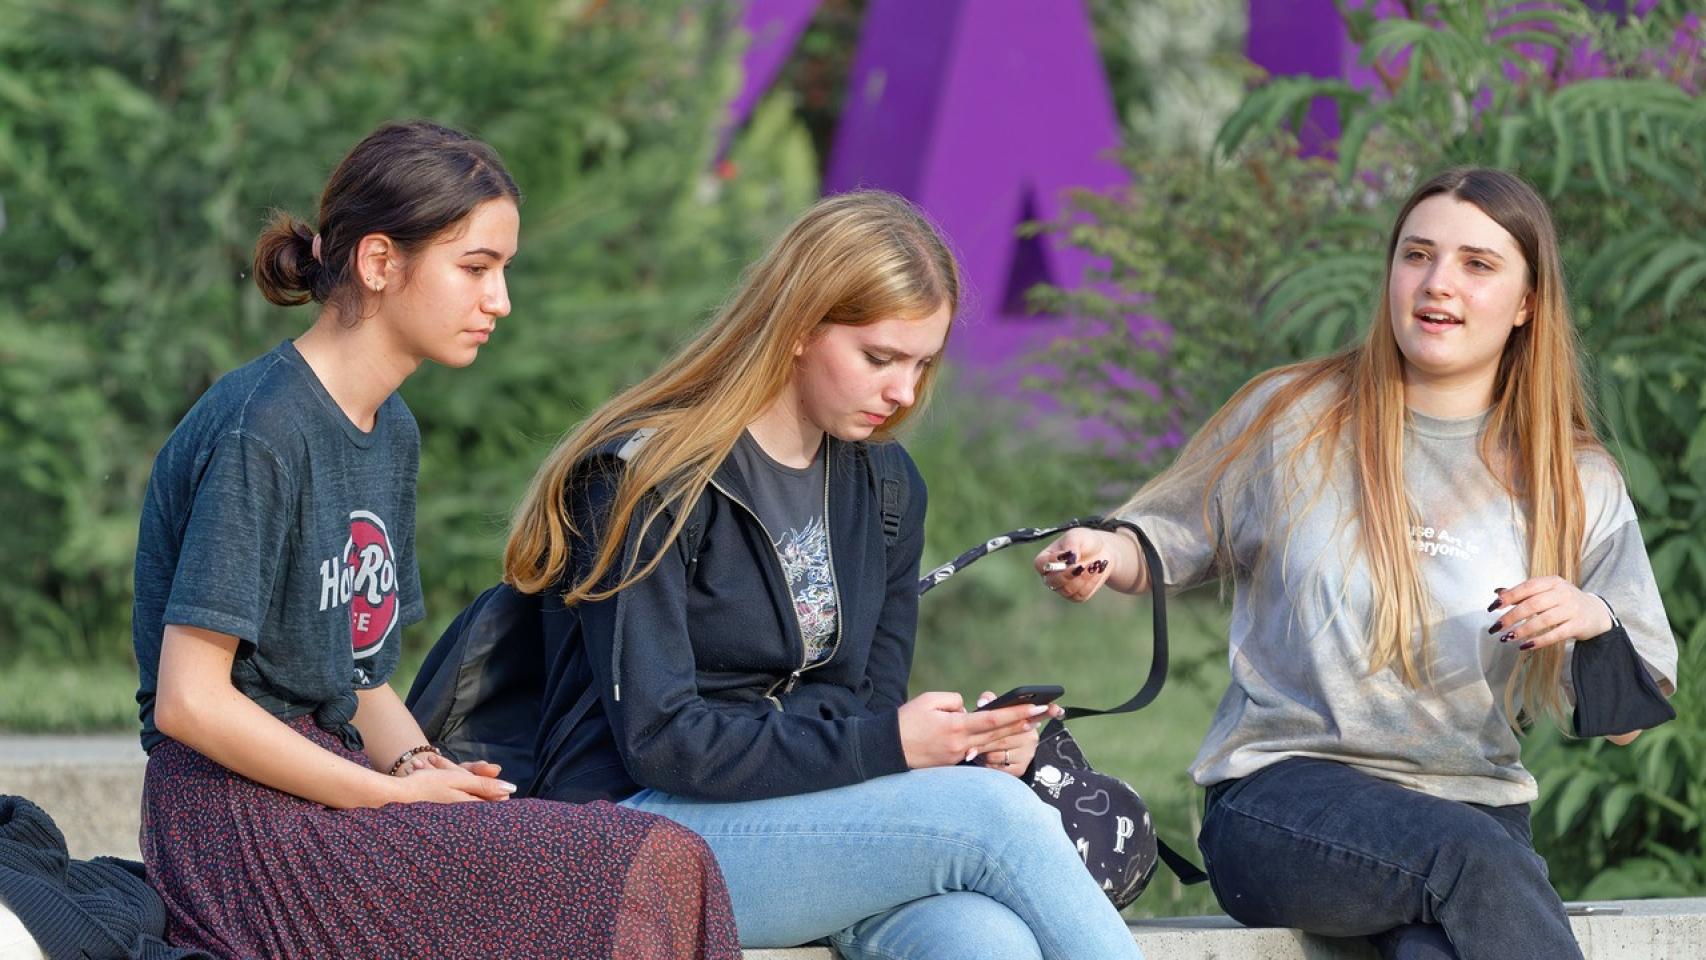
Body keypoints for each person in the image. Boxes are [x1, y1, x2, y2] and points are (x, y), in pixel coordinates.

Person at [1033, 167, 1678, 960]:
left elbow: (1628, 723)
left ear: (1527, 303)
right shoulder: (1293, 416)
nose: (1439, 283)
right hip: (1283, 802)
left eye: (1477, 264)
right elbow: (1162, 542)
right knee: (1466, 863)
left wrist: (1594, 620)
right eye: (1417, 255)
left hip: (1476, 814)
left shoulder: (1573, 477)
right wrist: (1104, 552)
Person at [132, 120, 738, 960]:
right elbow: (190, 702)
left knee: (665, 861)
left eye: (503, 271)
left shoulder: (390, 429)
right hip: (238, 830)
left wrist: (420, 766)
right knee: (647, 860)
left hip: (331, 789)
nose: (501, 301)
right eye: (477, 269)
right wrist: (382, 799)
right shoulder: (261, 429)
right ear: (380, 263)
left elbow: (357, 673)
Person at [503, 190, 1145, 960]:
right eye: (880, 358)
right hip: (638, 833)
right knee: (992, 817)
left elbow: (863, 705)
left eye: (922, 363)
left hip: (808, 822)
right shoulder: (648, 479)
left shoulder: (888, 485)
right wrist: (890, 747)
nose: (904, 392)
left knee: (986, 941)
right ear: (801, 328)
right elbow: (661, 740)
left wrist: (954, 744)